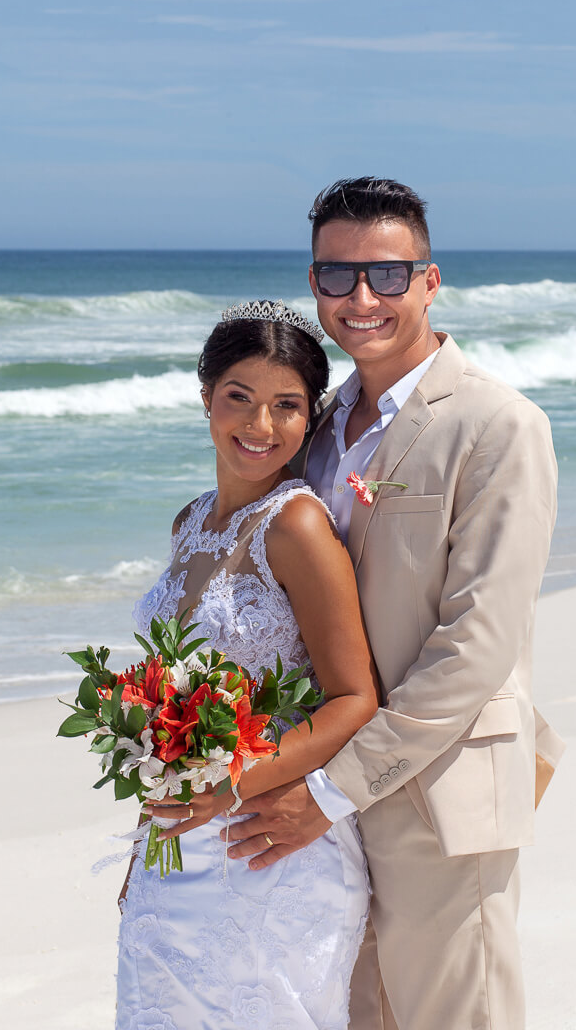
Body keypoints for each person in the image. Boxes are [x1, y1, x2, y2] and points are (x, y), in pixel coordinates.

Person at [224, 179, 564, 1030]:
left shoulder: (498, 425)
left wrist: (333, 788)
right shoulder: (313, 424)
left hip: (439, 798)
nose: (361, 299)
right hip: (326, 813)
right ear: (314, 285)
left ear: (429, 280)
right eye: (337, 277)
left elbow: (477, 644)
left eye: (385, 274)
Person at [115, 300, 380, 1030]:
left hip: (270, 840)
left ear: (309, 418)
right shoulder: (191, 520)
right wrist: (150, 836)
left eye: (287, 406)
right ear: (206, 398)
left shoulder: (295, 524)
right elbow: (173, 698)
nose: (260, 427)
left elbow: (354, 698)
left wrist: (229, 787)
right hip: (180, 847)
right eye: (240, 398)